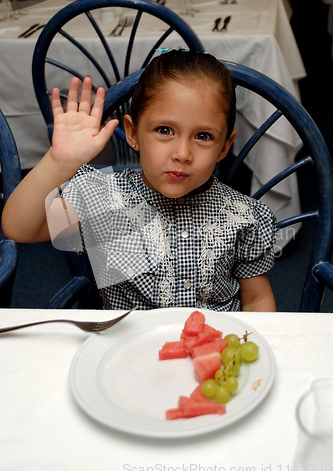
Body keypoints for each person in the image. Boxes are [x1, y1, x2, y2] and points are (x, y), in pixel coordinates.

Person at [2, 49, 276, 311]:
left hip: (212, 350)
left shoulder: (244, 217)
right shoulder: (102, 199)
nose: (182, 154)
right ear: (132, 133)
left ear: (225, 147)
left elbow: (256, 299)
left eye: (203, 136)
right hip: (130, 352)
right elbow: (19, 227)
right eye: (164, 130)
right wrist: (58, 162)